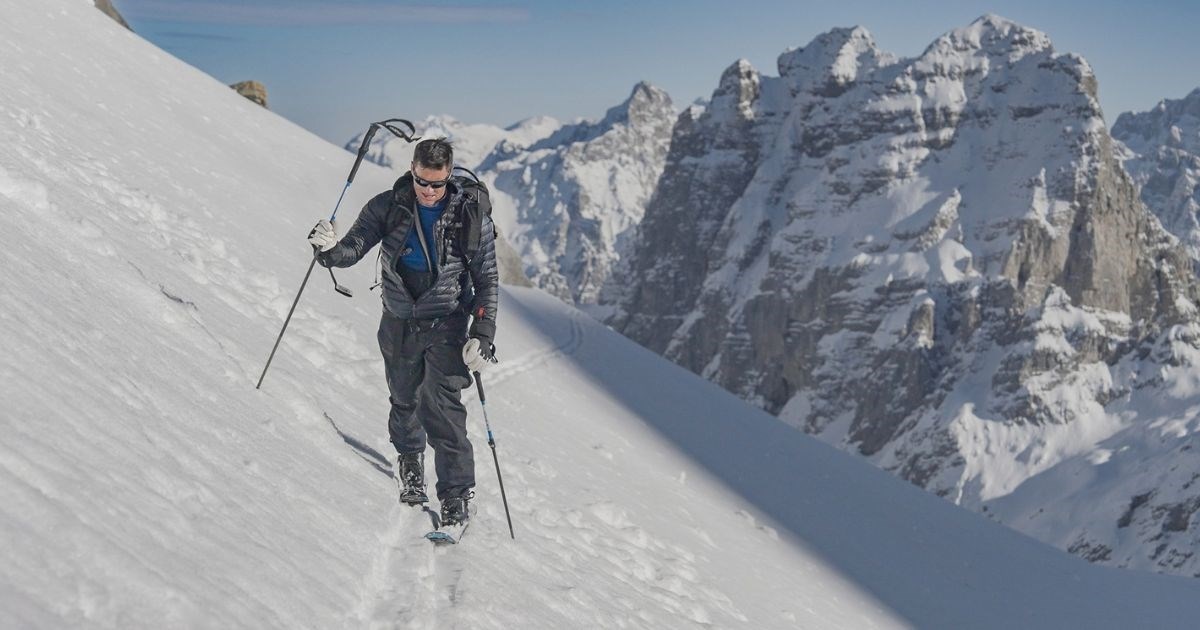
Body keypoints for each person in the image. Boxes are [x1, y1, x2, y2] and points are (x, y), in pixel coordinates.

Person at [307, 138, 498, 526]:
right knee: (404, 396)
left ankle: (456, 495)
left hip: (446, 320)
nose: (429, 192)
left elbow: (487, 280)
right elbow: (353, 248)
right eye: (422, 182)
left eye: (438, 184)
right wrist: (327, 250)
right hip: (397, 318)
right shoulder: (388, 206)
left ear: (449, 177)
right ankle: (410, 462)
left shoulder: (469, 216)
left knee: (442, 406)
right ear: (412, 170)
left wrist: (483, 332)